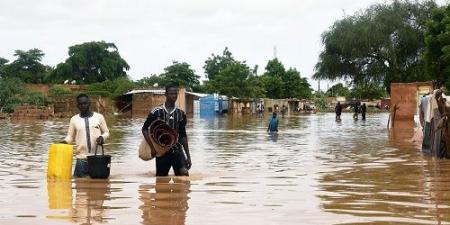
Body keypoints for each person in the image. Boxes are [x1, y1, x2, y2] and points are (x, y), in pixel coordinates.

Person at [142, 84, 191, 176]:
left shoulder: (181, 113)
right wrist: (152, 147)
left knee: (184, 175)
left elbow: (183, 135)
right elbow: (144, 129)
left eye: (175, 94)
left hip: (177, 150)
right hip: (161, 151)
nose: (174, 96)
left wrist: (188, 156)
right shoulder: (156, 111)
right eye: (171, 94)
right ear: (166, 94)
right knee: (161, 179)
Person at [63, 94, 110, 178]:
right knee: (80, 186)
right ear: (77, 106)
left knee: (98, 188)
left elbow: (106, 132)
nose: (83, 105)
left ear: (89, 103)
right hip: (81, 159)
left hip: (97, 158)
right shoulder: (74, 119)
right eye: (80, 104)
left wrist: (102, 137)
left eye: (85, 103)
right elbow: (70, 137)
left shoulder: (99, 117)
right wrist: (64, 142)